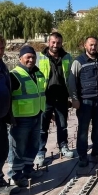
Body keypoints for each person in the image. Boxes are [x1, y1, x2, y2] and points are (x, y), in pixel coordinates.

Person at [68, 37, 98, 168]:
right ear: (85, 46)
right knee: (83, 130)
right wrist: (74, 99)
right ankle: (82, 156)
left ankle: (97, 149)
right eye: (91, 45)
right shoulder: (78, 62)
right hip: (85, 101)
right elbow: (72, 82)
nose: (93, 47)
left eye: (95, 45)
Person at [8, 45, 46, 187]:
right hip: (21, 118)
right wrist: (9, 116)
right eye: (27, 57)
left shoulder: (37, 73)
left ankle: (28, 169)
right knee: (18, 147)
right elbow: (8, 97)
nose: (31, 60)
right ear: (20, 58)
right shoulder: (14, 75)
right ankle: (15, 176)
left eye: (33, 57)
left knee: (33, 144)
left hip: (37, 114)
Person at [35, 32, 73, 167]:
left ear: (61, 43)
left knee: (62, 125)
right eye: (53, 42)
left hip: (62, 97)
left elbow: (71, 78)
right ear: (48, 43)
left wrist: (72, 96)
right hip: (45, 98)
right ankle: (40, 152)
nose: (55, 45)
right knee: (42, 127)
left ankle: (63, 146)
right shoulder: (40, 57)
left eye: (58, 43)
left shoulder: (67, 57)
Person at [0, 33, 20, 195]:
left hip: (0, 118)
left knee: (0, 151)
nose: (0, 51)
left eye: (2, 48)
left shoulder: (1, 65)